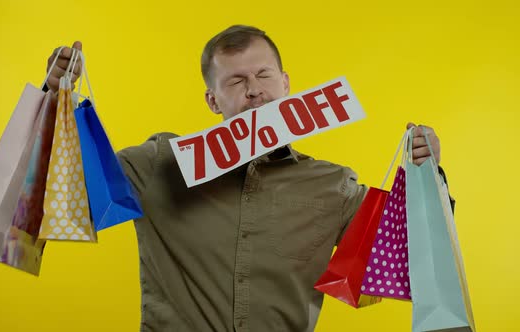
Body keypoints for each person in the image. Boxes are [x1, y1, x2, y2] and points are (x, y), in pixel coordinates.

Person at [44, 25, 446, 332]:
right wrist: (54, 98)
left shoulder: (333, 185)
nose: (254, 91)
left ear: (286, 84)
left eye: (263, 75)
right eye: (236, 81)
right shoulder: (159, 164)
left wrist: (427, 178)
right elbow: (55, 191)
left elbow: (411, 256)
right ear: (213, 100)